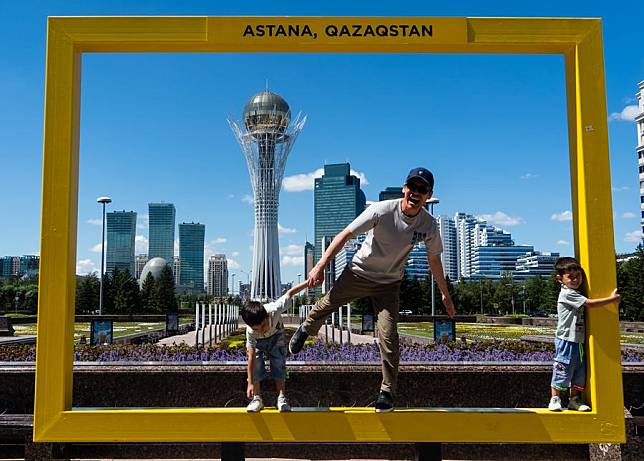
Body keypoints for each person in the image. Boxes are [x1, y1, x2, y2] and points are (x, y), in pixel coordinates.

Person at [289, 167, 456, 412]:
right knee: (327, 303)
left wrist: (445, 294)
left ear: (429, 195)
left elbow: (434, 260)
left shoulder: (429, 225)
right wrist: (320, 265)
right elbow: (344, 235)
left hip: (389, 283)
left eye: (422, 190)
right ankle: (307, 327)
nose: (415, 193)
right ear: (404, 188)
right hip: (359, 272)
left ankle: (387, 392)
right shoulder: (381, 210)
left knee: (389, 336)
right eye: (412, 187)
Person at [548, 257, 621, 412]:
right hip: (566, 339)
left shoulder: (576, 292)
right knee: (563, 367)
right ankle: (555, 398)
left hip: (578, 339)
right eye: (570, 277)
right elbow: (590, 304)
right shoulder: (567, 294)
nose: (575, 280)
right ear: (559, 279)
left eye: (578, 276)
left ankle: (574, 399)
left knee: (579, 371)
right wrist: (612, 300)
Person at [241, 280, 311, 412]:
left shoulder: (275, 308)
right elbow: (251, 358)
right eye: (257, 329)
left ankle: (281, 398)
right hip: (258, 343)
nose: (261, 330)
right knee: (257, 364)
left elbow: (290, 292)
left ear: (267, 316)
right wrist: (249, 383)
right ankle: (257, 398)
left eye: (263, 326)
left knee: (278, 362)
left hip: (276, 335)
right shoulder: (251, 332)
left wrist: (309, 282)